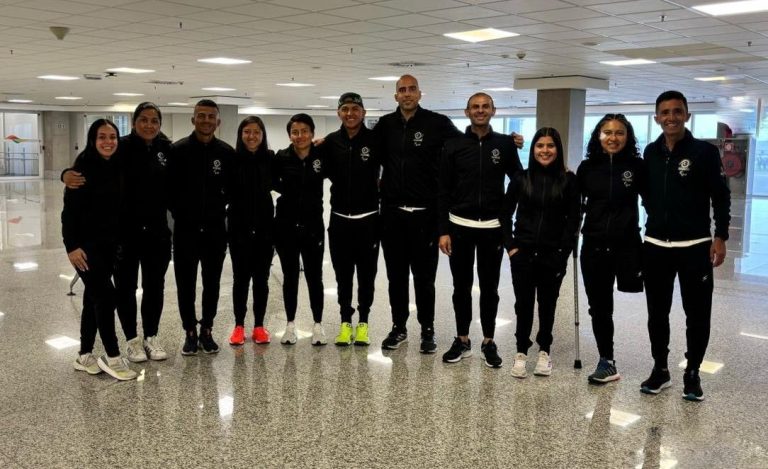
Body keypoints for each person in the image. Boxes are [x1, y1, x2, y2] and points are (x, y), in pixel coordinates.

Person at [62, 103, 172, 362]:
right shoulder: (120, 147)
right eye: (143, 120)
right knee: (125, 288)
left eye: (154, 120)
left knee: (155, 286)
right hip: (125, 235)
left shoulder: (166, 149)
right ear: (134, 123)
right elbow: (91, 163)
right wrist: (66, 174)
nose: (149, 125)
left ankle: (151, 336)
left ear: (159, 124)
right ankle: (132, 340)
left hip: (157, 232)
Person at [640, 90, 730, 401]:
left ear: (687, 115)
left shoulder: (704, 153)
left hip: (695, 246)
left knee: (697, 313)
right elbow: (643, 193)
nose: (671, 117)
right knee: (657, 313)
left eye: (677, 111)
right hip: (655, 246)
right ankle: (660, 368)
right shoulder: (650, 153)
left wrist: (720, 236)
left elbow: (721, 195)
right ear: (656, 118)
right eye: (665, 112)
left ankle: (692, 371)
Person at [374, 74, 463, 353]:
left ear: (420, 94)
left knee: (425, 279)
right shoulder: (386, 125)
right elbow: (357, 141)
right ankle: (398, 327)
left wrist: (504, 141)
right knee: (396, 277)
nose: (407, 94)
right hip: (392, 216)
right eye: (402, 90)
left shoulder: (437, 123)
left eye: (412, 89)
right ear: (395, 96)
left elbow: (466, 145)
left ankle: (427, 329)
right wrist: (323, 143)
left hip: (425, 216)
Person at [438, 92, 522, 367]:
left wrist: (504, 211)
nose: (480, 110)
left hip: (491, 229)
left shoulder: (505, 145)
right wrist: (443, 229)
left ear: (493, 111)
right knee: (460, 288)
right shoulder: (453, 145)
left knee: (490, 288)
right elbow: (443, 190)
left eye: (485, 106)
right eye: (475, 107)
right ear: (467, 112)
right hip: (459, 227)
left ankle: (488, 341)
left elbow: (518, 180)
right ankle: (462, 340)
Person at [502, 127, 580, 378]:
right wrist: (511, 246)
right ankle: (521, 351)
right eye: (540, 146)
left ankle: (544, 350)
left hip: (552, 254)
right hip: (522, 253)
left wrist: (563, 253)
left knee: (548, 304)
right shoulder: (520, 178)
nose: (545, 151)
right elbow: (504, 214)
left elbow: (573, 221)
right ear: (533, 149)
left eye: (550, 146)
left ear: (557, 150)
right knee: (523, 304)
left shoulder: (569, 180)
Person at [63, 119, 137, 380]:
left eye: (113, 137)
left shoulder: (117, 165)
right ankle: (112, 356)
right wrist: (71, 247)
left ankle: (84, 355)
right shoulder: (81, 170)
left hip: (110, 247)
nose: (108, 142)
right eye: (102, 137)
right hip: (84, 249)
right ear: (92, 140)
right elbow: (68, 215)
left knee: (92, 298)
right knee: (106, 297)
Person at [577, 114, 645, 384]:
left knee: (652, 303)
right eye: (607, 132)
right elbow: (576, 205)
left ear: (627, 137)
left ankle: (660, 364)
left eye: (619, 133)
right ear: (598, 136)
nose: (613, 138)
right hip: (593, 246)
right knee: (600, 307)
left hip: (627, 245)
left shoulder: (637, 167)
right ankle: (607, 360)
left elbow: (653, 200)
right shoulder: (587, 167)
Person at [169, 99, 235, 355]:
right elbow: (169, 191)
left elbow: (232, 190)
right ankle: (190, 331)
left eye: (211, 117)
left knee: (212, 283)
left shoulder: (227, 153)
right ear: (193, 119)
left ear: (218, 121)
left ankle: (207, 329)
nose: (206, 120)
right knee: (185, 284)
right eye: (201, 116)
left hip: (215, 231)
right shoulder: (178, 151)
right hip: (185, 230)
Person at [320, 93, 381, 346]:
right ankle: (345, 322)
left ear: (363, 113)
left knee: (367, 276)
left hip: (368, 221)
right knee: (342, 276)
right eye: (345, 109)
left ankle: (364, 322)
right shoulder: (330, 142)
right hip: (339, 221)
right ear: (338, 113)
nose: (350, 113)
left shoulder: (376, 140)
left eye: (356, 109)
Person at [273, 113, 327, 346]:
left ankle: (318, 325)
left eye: (304, 131)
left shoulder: (321, 155)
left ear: (312, 133)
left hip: (313, 225)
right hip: (285, 226)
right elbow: (271, 182)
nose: (300, 136)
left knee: (315, 277)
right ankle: (290, 325)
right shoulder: (281, 157)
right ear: (289, 135)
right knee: (290, 277)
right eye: (295, 132)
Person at [227, 116, 275, 346]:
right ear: (241, 134)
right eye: (247, 131)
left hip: (265, 229)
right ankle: (238, 326)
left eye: (256, 132)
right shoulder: (232, 160)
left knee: (261, 280)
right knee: (240, 280)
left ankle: (259, 326)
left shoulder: (270, 159)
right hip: (239, 230)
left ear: (263, 135)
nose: (252, 136)